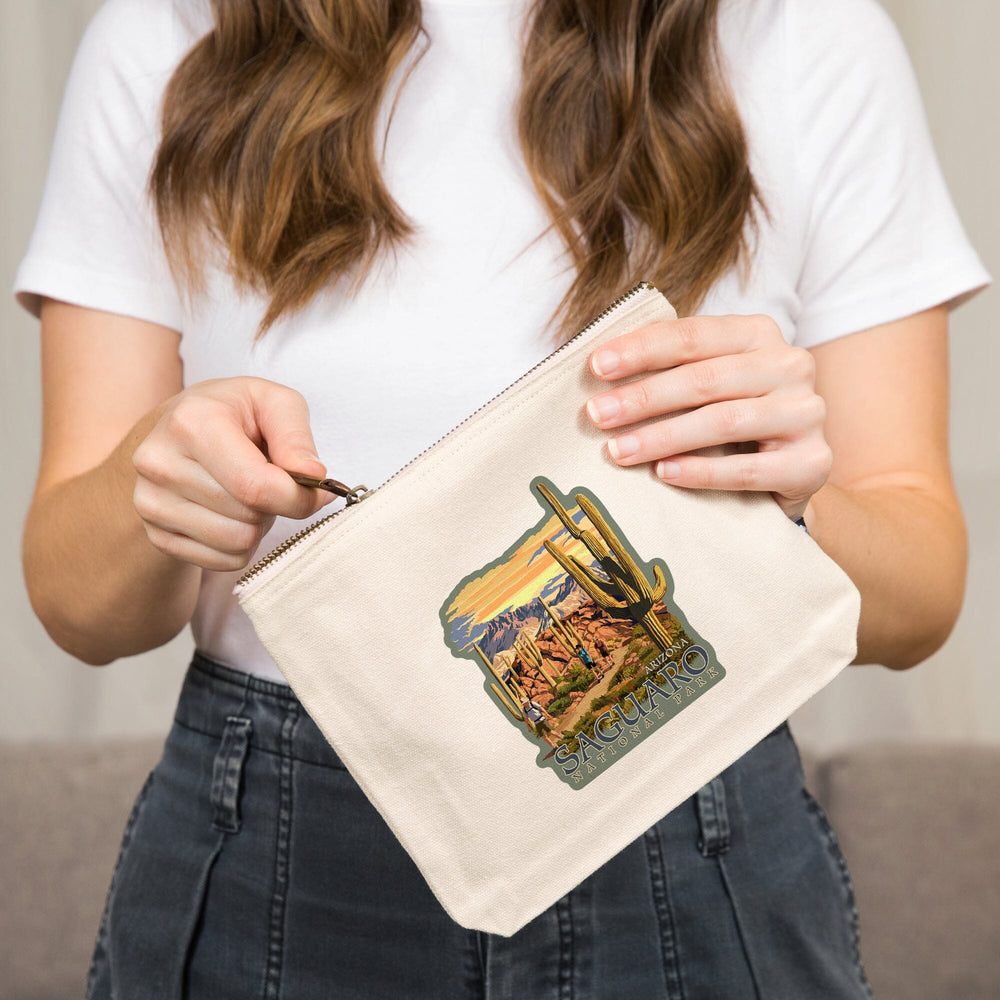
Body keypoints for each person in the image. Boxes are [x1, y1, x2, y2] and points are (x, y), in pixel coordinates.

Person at [15, 0, 988, 996]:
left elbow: (918, 596)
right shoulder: (168, 33)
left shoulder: (805, 35)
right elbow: (78, 605)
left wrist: (789, 506)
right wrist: (160, 479)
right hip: (282, 826)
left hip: (688, 794)